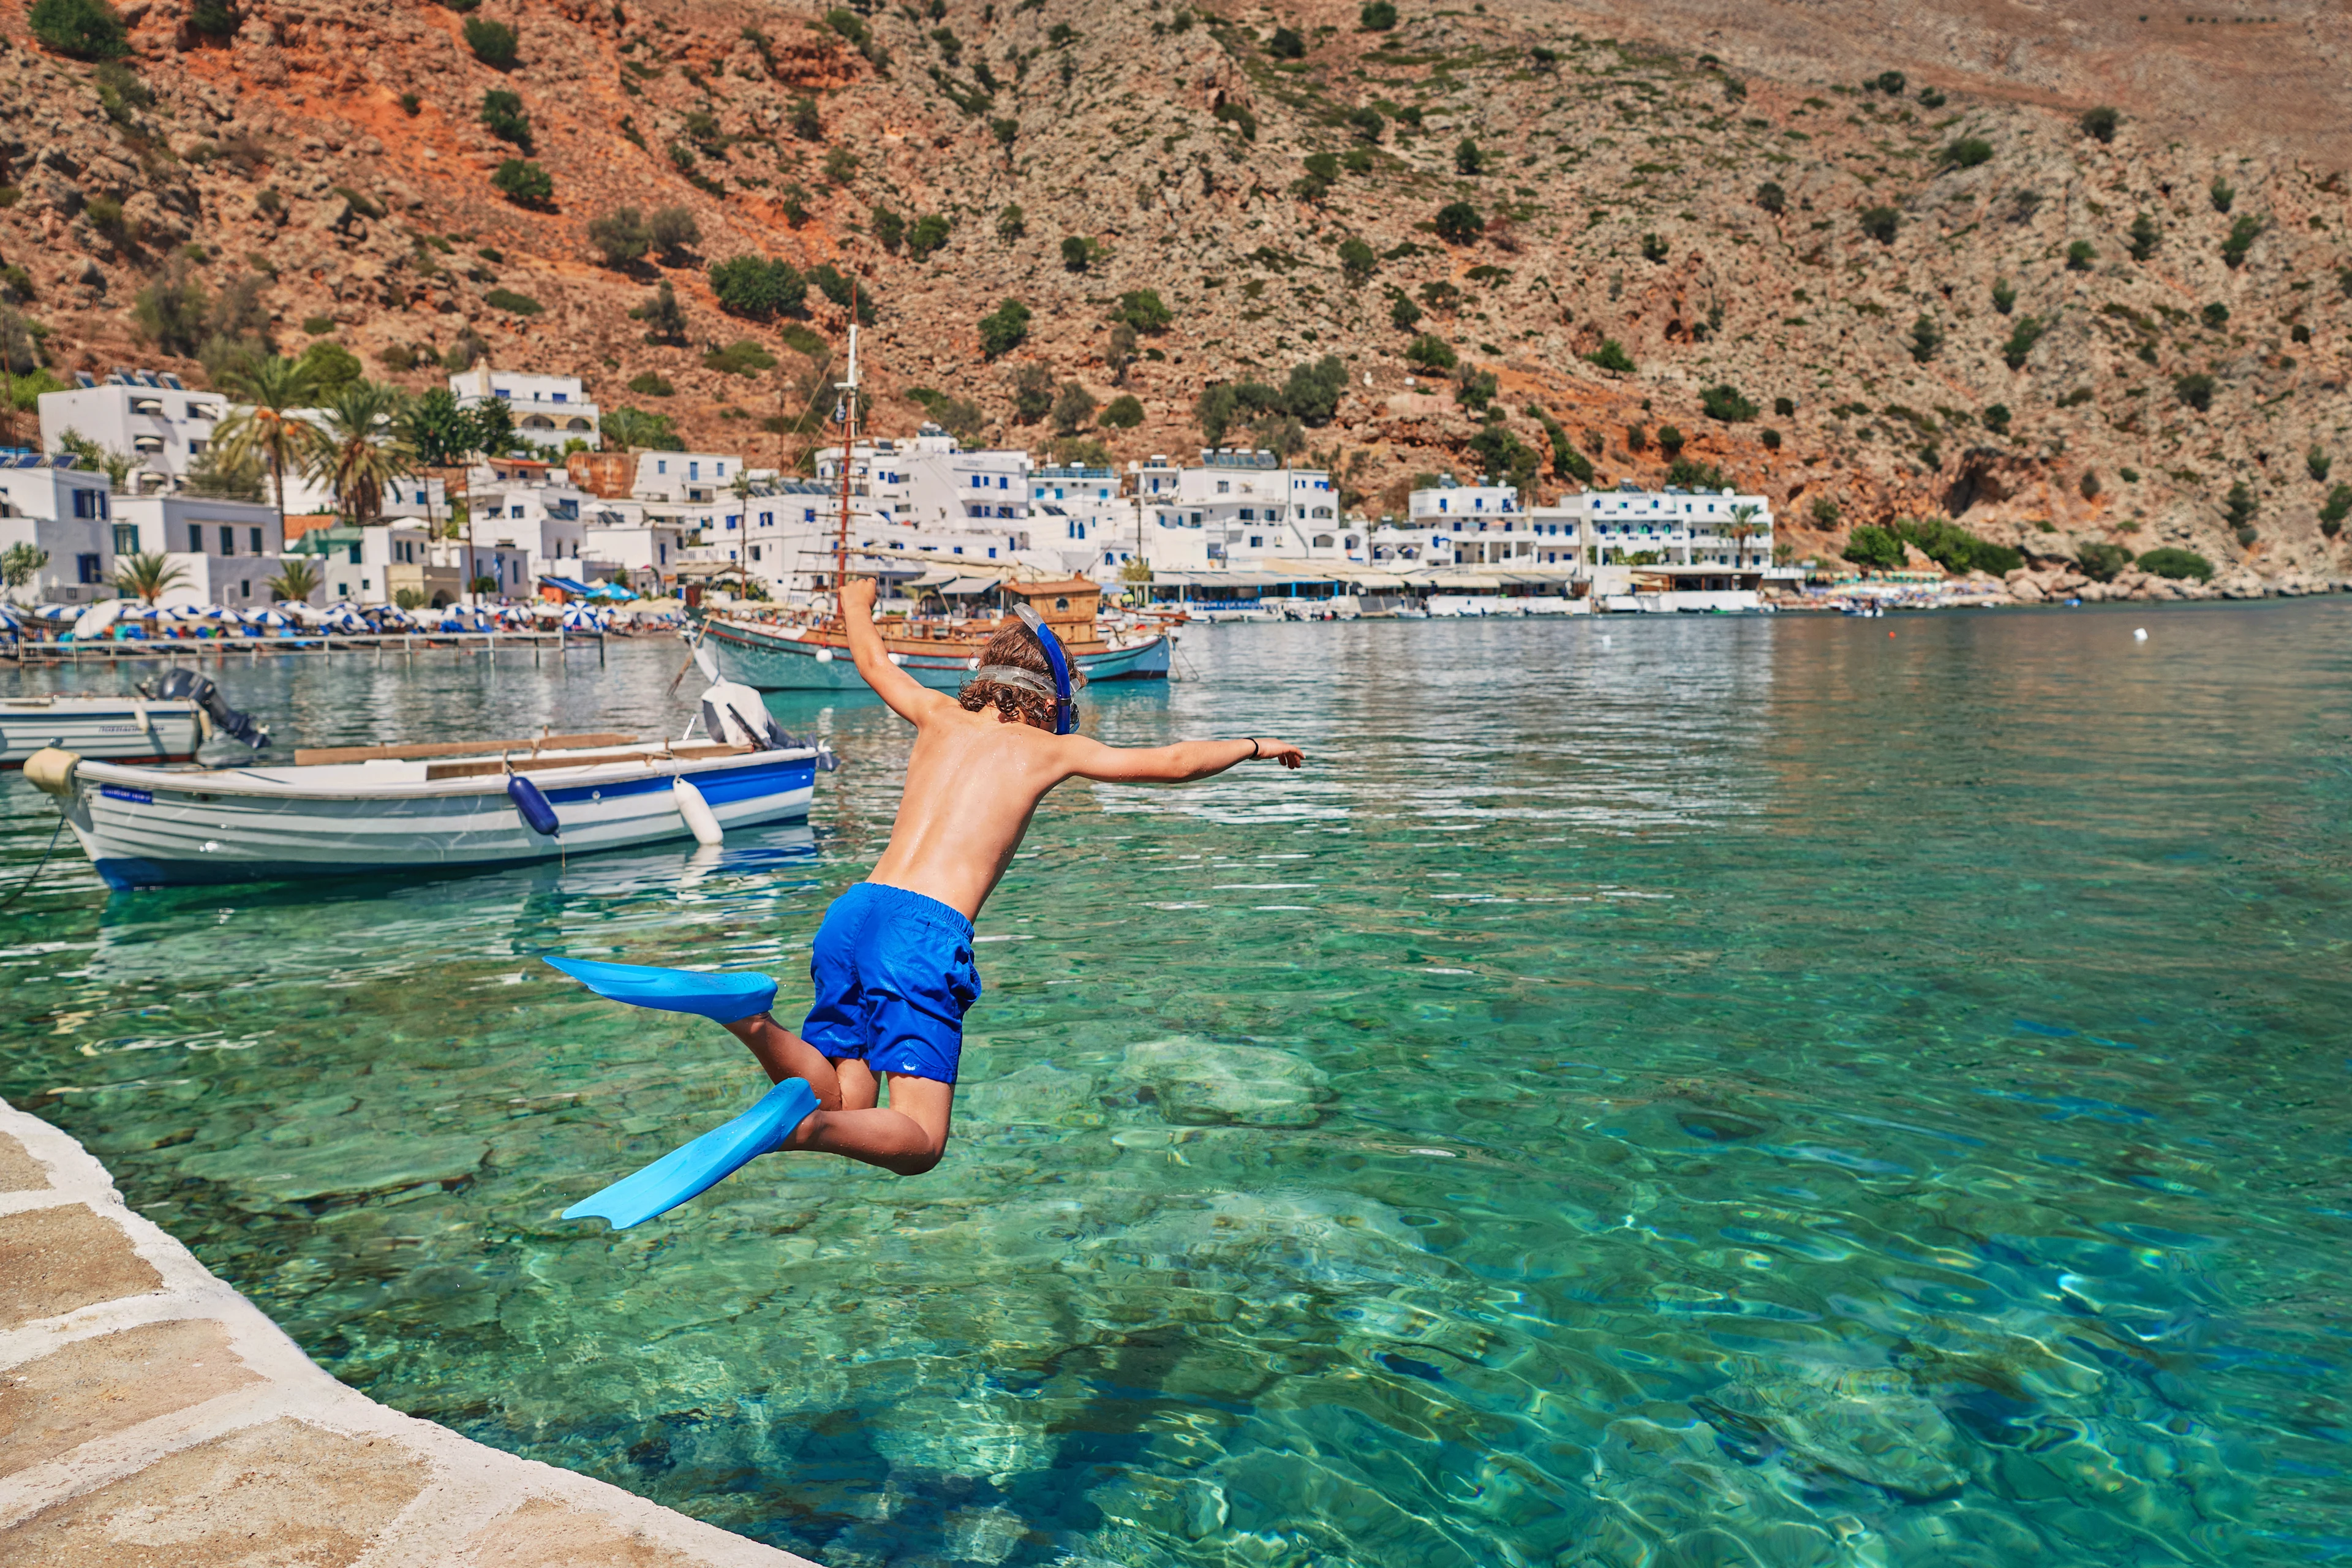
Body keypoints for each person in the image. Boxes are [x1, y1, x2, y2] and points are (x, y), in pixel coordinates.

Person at [550, 578, 1303, 1227]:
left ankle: (748, 1017)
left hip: (855, 913)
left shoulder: (939, 715)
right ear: (1058, 701)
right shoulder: (1052, 749)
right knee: (920, 1142)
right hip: (921, 931)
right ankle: (786, 1131)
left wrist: (855, 603)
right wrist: (1255, 744)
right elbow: (1169, 763)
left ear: (985, 676)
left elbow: (872, 660)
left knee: (844, 1092)